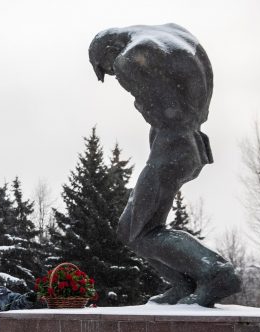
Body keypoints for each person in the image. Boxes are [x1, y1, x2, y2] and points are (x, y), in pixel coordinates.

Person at [88, 24, 240, 307]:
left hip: (172, 144)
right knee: (128, 229)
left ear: (108, 52)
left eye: (107, 69)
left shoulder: (129, 58)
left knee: (139, 230)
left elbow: (167, 110)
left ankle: (216, 273)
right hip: (191, 141)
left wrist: (152, 115)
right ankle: (184, 282)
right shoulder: (175, 34)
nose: (113, 73)